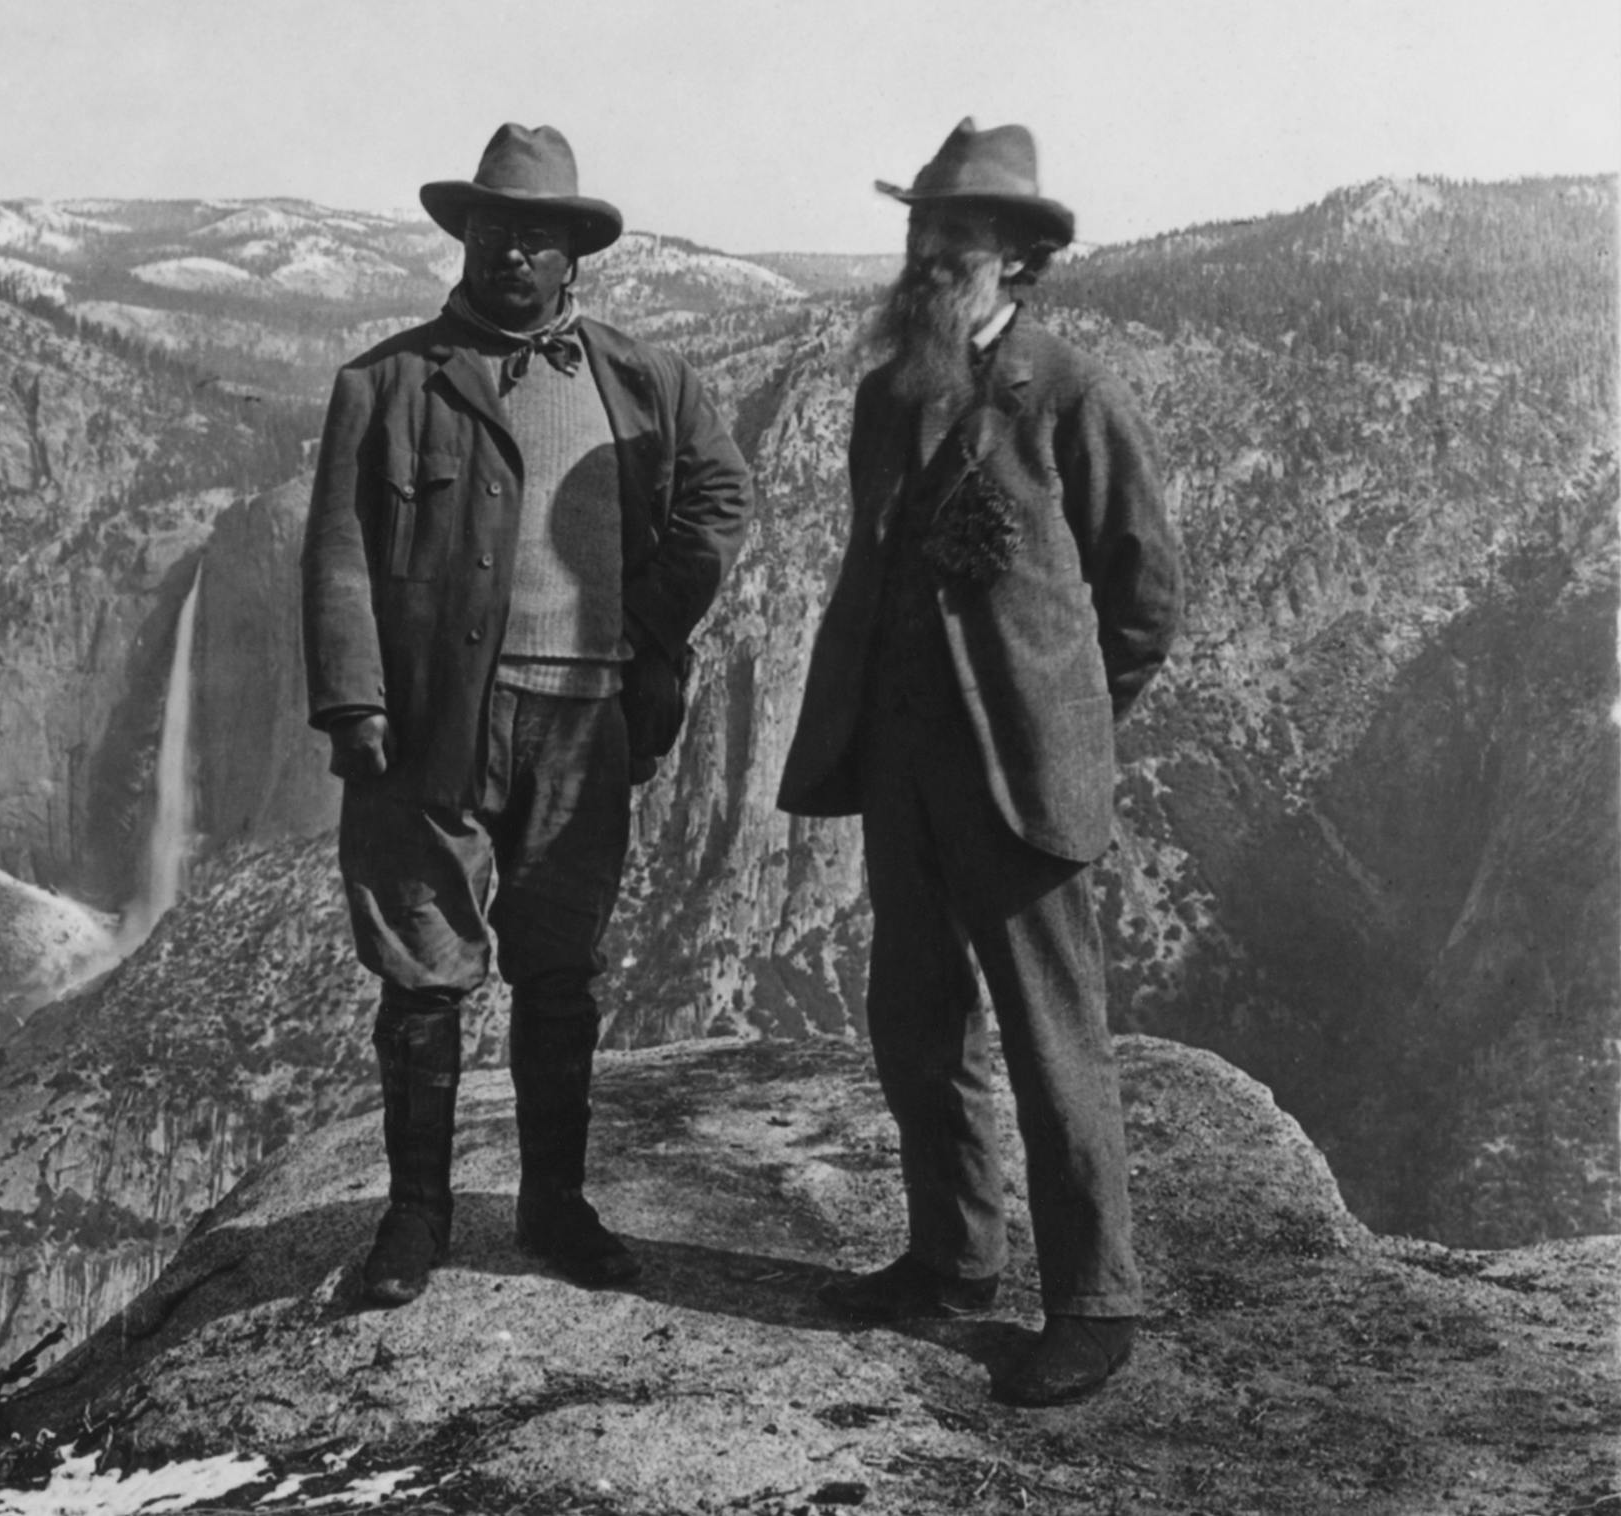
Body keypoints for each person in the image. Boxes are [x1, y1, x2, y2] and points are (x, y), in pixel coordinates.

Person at [301, 123, 753, 1307]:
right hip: (432, 724)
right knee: (422, 970)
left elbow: (720, 496)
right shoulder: (386, 384)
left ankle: (555, 1204)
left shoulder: (645, 381)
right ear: (466, 237)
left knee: (560, 972)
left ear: (573, 256)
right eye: (494, 228)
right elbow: (340, 548)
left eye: (537, 236)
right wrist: (354, 700)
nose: (512, 252)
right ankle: (416, 1217)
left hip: (586, 722)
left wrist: (652, 619)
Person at [777, 119, 1182, 1406]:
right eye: (922, 229)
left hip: (1020, 780)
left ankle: (1095, 1303)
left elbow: (1144, 598)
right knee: (915, 1020)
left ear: (1017, 256)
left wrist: (1068, 722)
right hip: (901, 768)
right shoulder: (889, 393)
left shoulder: (1069, 395)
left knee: (1053, 1037)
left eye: (956, 235)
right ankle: (951, 1258)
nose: (931, 253)